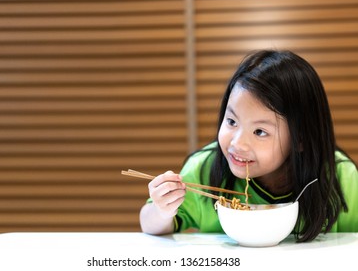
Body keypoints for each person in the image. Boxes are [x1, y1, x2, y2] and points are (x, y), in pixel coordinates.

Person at [139, 49, 358, 242]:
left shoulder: (341, 177)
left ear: (300, 139)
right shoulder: (203, 169)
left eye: (260, 132)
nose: (237, 143)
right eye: (232, 121)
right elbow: (150, 225)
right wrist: (161, 209)